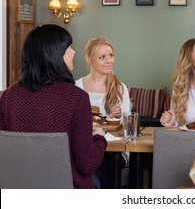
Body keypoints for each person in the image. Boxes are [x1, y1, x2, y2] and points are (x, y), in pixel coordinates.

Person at [0, 24, 107, 189]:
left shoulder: (8, 96)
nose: (74, 52)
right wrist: (100, 138)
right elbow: (86, 164)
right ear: (55, 54)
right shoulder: (77, 97)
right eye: (69, 47)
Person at [75, 38, 131, 188]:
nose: (109, 61)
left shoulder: (120, 88)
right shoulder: (77, 87)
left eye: (111, 55)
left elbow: (128, 127)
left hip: (114, 150)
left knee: (103, 163)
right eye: (102, 57)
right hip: (85, 149)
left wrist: (119, 118)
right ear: (88, 59)